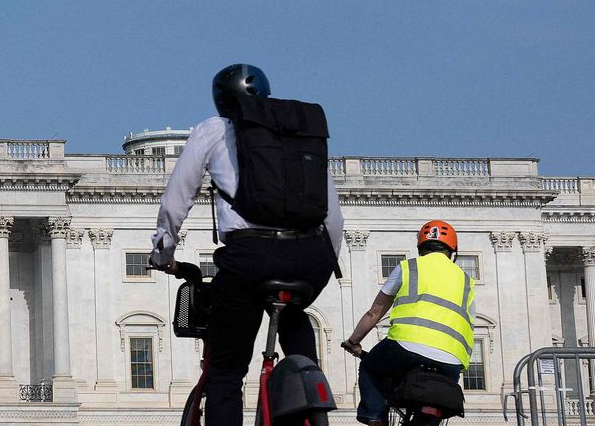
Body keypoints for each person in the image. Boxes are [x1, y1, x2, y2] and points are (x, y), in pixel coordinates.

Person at [151, 63, 344, 426]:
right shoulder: (299, 135)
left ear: (221, 102)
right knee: (294, 315)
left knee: (227, 371)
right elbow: (333, 218)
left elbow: (178, 197)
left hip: (251, 257)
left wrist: (164, 252)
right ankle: (310, 383)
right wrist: (321, 263)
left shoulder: (214, 129)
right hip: (312, 257)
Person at [341, 220, 475, 425]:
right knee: (437, 398)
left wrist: (353, 341)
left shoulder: (409, 267)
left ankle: (375, 418)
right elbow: (469, 326)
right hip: (452, 359)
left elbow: (374, 312)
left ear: (421, 247)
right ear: (453, 252)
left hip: (406, 346)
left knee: (370, 367)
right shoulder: (467, 282)